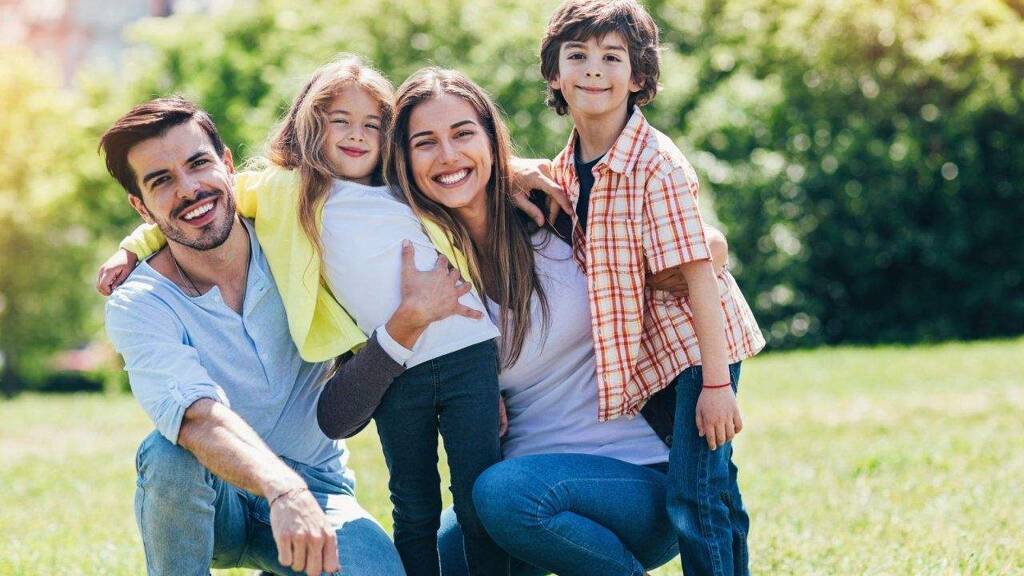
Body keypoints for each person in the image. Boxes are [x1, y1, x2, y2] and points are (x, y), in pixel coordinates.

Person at [98, 55, 570, 576]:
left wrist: (511, 169)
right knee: (168, 454)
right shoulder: (146, 296)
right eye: (161, 181)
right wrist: (132, 247)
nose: (188, 189)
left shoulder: (289, 237)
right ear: (141, 205)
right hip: (221, 495)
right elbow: (195, 416)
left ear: (227, 165)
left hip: (318, 488)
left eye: (198, 165)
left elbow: (445, 172)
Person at [318, 67, 728, 576]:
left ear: (491, 140)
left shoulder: (553, 209)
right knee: (455, 553)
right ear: (403, 159)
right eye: (425, 143)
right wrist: (405, 323)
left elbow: (708, 244)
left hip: (636, 478)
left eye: (463, 134)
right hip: (523, 492)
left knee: (501, 494)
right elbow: (342, 411)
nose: (447, 156)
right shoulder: (415, 260)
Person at [539, 1, 767, 574]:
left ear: (638, 76)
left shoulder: (656, 164)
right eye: (578, 56)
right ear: (554, 74)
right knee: (711, 484)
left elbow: (699, 273)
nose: (594, 69)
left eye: (612, 57)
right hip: (652, 352)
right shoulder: (567, 167)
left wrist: (716, 384)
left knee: (692, 495)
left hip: (695, 347)